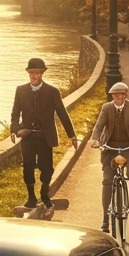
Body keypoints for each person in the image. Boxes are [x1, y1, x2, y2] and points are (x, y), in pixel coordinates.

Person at [10, 58, 78, 208]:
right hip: (27, 136)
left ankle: (44, 193)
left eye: (37, 73)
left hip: (45, 137)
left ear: (42, 73)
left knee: (46, 166)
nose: (34, 76)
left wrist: (72, 135)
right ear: (28, 73)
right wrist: (15, 130)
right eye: (32, 73)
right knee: (27, 166)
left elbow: (62, 113)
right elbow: (15, 113)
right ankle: (31, 197)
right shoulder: (20, 90)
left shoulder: (52, 92)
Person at [90, 81, 129, 228]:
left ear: (125, 95)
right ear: (112, 96)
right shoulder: (106, 108)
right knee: (108, 181)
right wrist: (95, 140)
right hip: (110, 147)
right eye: (115, 96)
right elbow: (99, 126)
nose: (118, 98)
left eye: (121, 95)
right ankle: (105, 219)